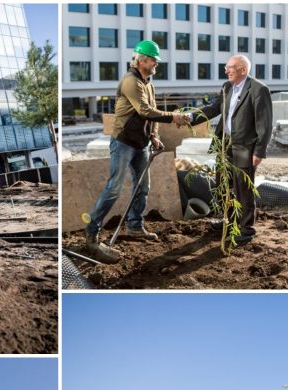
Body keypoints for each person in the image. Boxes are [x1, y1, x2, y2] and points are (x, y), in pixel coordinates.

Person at [84, 40, 190, 263]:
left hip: (141, 144)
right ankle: (92, 234)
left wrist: (155, 136)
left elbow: (152, 115)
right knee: (114, 188)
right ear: (141, 60)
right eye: (153, 60)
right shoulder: (130, 82)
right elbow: (144, 110)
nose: (156, 65)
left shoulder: (148, 84)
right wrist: (174, 116)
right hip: (123, 143)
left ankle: (134, 226)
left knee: (143, 186)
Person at [189, 54, 273, 244]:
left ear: (243, 69)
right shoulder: (227, 87)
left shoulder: (259, 90)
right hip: (224, 144)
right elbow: (213, 108)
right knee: (223, 184)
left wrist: (259, 151)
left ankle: (246, 229)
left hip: (245, 147)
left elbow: (265, 125)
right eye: (226, 67)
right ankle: (229, 219)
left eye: (230, 67)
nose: (226, 71)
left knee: (244, 189)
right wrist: (191, 118)